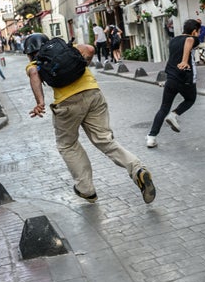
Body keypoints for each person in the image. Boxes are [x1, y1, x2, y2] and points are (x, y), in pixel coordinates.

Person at [24, 33, 155, 204]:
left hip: (67, 103)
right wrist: (78, 65)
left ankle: (86, 189)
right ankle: (137, 169)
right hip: (93, 93)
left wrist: (40, 102)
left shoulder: (35, 62)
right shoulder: (68, 49)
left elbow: (34, 72)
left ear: (30, 52)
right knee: (105, 141)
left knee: (67, 145)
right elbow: (90, 49)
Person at [146, 19, 201, 148]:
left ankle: (151, 137)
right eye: (198, 32)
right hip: (185, 77)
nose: (198, 35)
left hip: (171, 78)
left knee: (163, 107)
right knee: (190, 99)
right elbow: (189, 41)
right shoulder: (192, 38)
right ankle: (174, 115)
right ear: (193, 31)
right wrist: (184, 60)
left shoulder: (173, 40)